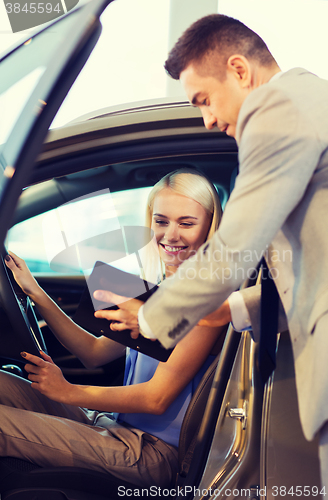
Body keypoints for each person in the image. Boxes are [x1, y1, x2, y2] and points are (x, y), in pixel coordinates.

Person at [93, 14, 328, 493]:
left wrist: (153, 317)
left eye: (204, 99)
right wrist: (231, 308)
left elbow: (236, 244)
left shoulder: (278, 106)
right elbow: (311, 274)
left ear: (240, 71)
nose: (207, 119)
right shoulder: (308, 104)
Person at [0, 169, 226, 489]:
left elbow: (156, 400)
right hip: (114, 426)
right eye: (161, 222)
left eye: (186, 223)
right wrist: (36, 292)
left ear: (210, 227)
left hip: (149, 453)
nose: (170, 235)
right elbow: (94, 353)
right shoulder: (160, 289)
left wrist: (68, 391)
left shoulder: (208, 304)